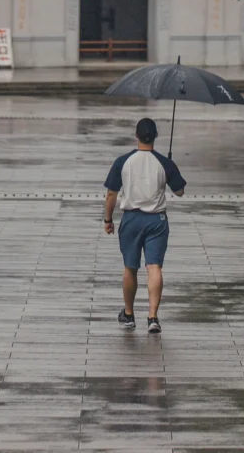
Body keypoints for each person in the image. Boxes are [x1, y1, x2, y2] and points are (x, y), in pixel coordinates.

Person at [103, 116, 186, 332]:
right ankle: (153, 318)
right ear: (156, 137)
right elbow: (180, 191)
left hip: (131, 219)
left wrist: (108, 220)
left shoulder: (123, 161)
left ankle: (129, 314)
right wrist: (169, 168)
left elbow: (111, 194)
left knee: (130, 268)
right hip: (157, 221)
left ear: (136, 136)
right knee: (154, 267)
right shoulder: (164, 163)